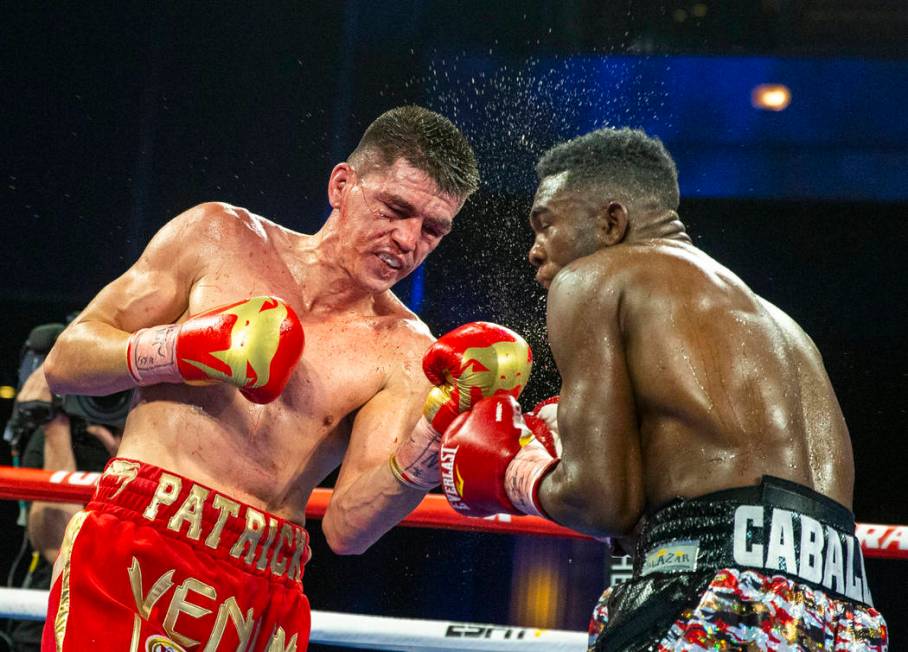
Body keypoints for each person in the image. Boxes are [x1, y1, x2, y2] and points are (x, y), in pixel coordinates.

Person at [41, 105, 529, 651]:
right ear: (342, 184)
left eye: (432, 229)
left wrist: (433, 434)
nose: (407, 240)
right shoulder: (218, 236)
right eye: (395, 209)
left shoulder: (406, 351)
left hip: (262, 586)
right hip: (137, 544)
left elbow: (347, 528)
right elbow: (65, 363)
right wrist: (182, 350)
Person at [437, 128, 888, 650]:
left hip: (714, 589)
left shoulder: (594, 279)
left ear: (611, 221)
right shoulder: (784, 327)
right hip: (841, 609)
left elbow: (603, 503)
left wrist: (518, 474)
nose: (535, 252)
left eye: (546, 225)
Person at [6, 365, 118, 652]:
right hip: (58, 609)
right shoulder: (50, 437)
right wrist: (55, 428)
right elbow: (58, 547)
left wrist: (124, 458)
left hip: (123, 607)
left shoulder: (158, 433)